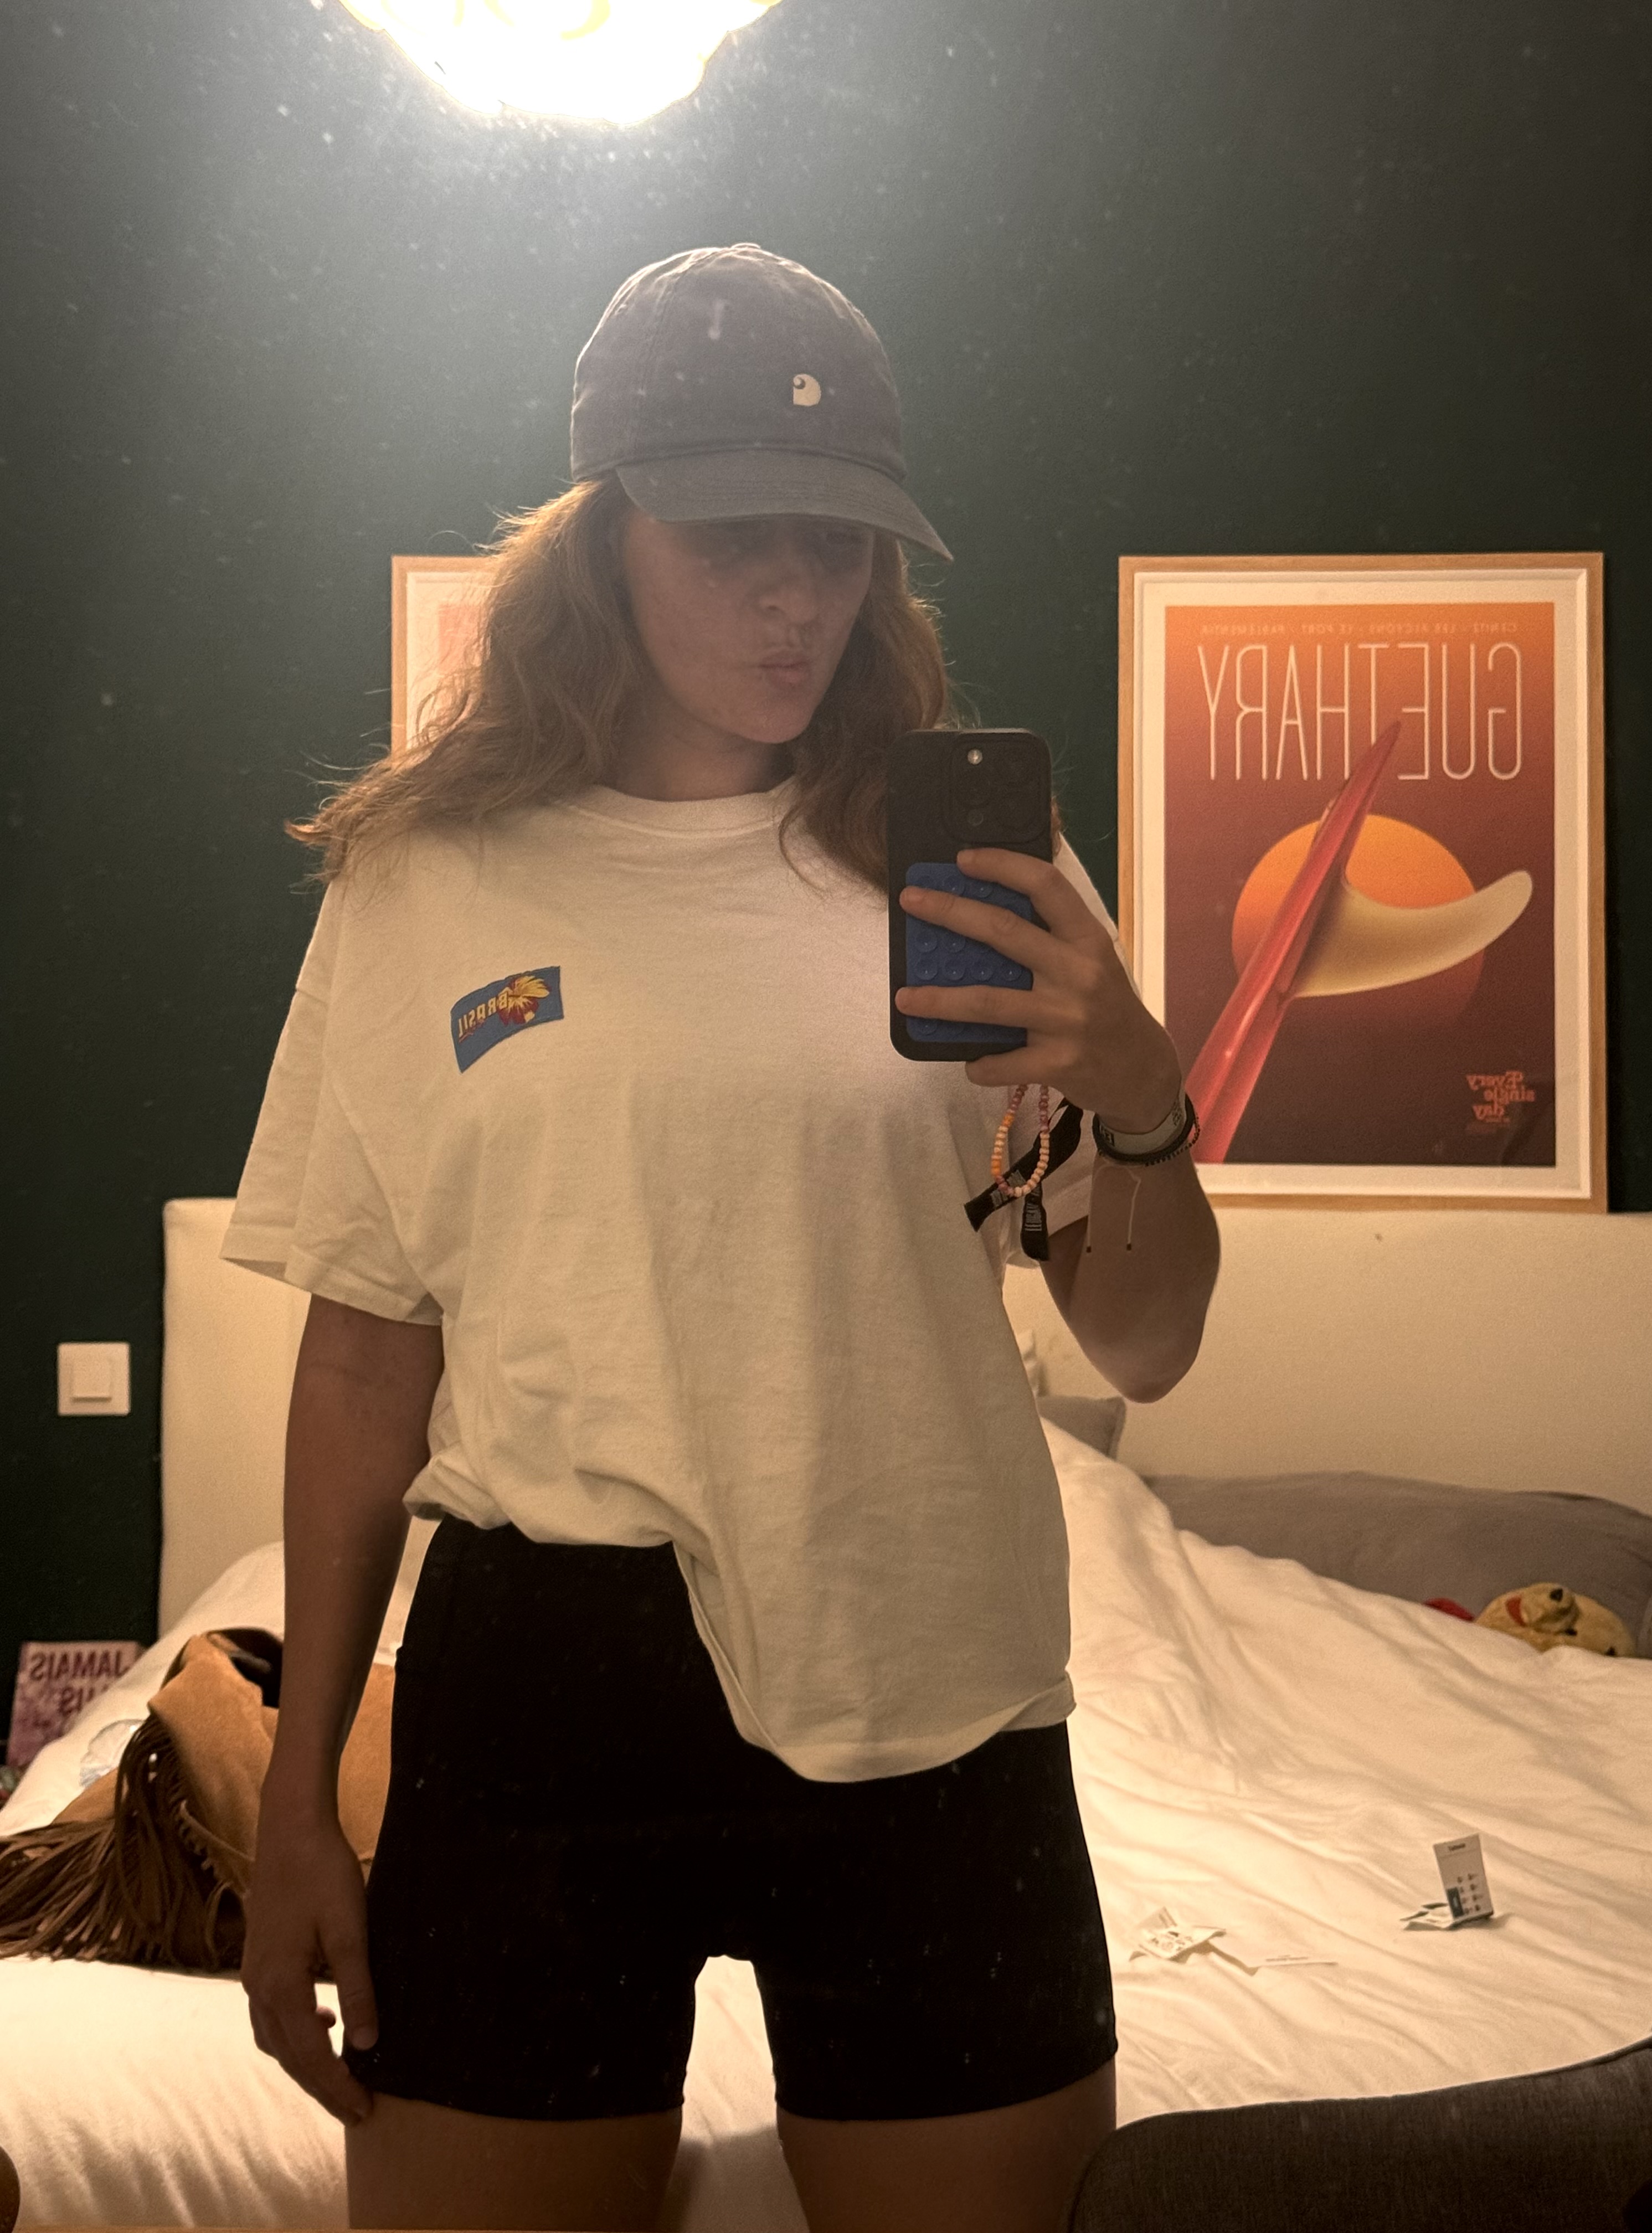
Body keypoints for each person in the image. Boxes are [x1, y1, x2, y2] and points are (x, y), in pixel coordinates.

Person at [226, 243, 1221, 2233]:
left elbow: (1147, 1342)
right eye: (732, 541)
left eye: (837, 546)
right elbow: (365, 1355)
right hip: (541, 1683)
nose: (795, 599)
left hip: (930, 1661)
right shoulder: (425, 880)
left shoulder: (973, 879)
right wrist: (298, 1796)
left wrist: (1139, 1085)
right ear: (605, 537)